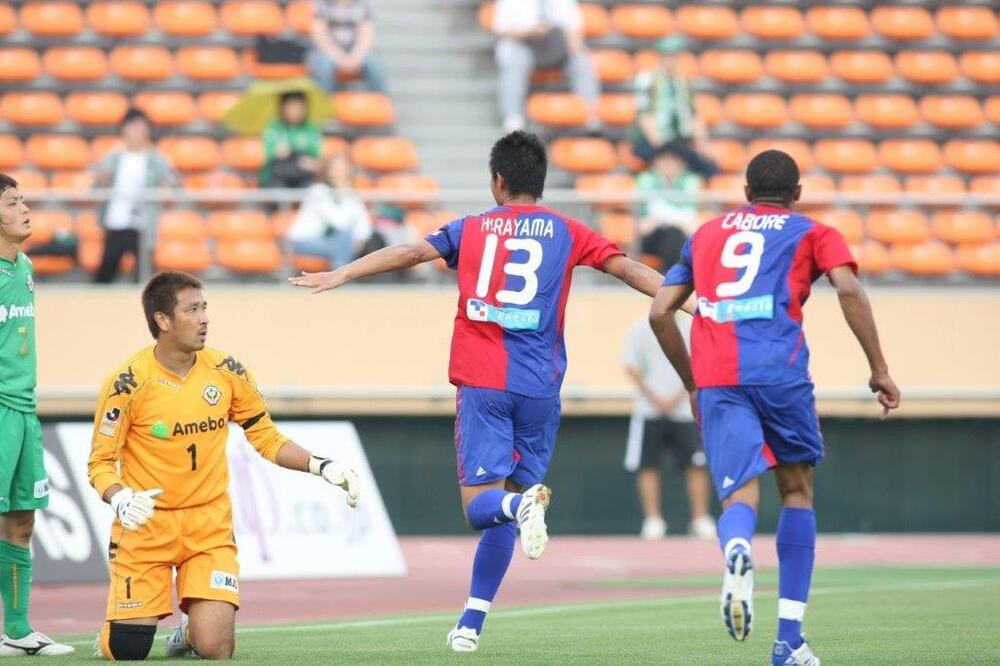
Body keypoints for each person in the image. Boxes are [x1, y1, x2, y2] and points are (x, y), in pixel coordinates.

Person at [290, 131, 672, 653]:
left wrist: (344, 273)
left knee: (483, 507)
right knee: (508, 507)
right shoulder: (569, 230)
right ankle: (471, 624)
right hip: (540, 387)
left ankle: (519, 509)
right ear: (540, 181)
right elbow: (628, 269)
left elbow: (410, 251)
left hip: (485, 381)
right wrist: (693, 304)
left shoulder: (471, 227)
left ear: (498, 180)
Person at [649, 150, 901, 665]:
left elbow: (659, 312)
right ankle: (788, 639)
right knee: (797, 491)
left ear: (746, 193)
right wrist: (878, 367)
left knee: (738, 494)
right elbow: (849, 289)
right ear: (797, 194)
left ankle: (737, 549)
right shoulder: (814, 232)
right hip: (780, 374)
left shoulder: (705, 235)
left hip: (719, 378)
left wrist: (693, 383)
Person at [87, 271, 361, 661]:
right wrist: (120, 499)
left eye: (204, 308)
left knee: (216, 647)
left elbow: (265, 436)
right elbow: (99, 462)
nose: (204, 319)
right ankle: (116, 629)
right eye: (192, 310)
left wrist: (321, 465)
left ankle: (190, 631)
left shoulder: (228, 370)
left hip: (208, 525)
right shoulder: (127, 383)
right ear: (163, 320)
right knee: (127, 650)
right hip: (146, 526)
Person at [0, 175, 74, 656]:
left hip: (25, 411)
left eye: (23, 200)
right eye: (13, 202)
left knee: (21, 521)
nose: (25, 209)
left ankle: (17, 631)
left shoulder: (25, 266)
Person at [622, 316, 714, 540]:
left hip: (686, 411)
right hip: (648, 411)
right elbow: (631, 367)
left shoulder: (692, 327)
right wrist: (655, 398)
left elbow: (703, 364)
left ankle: (700, 519)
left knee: (696, 465)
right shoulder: (640, 328)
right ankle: (653, 521)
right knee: (648, 465)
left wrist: (681, 394)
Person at [92, 109, 179, 284]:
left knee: (145, 276)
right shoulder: (112, 158)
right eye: (133, 127)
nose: (137, 132)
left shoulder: (156, 159)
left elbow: (172, 184)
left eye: (142, 127)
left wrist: (166, 190)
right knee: (106, 272)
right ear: (124, 129)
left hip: (144, 223)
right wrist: (101, 180)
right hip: (116, 222)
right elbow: (96, 186)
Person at [492, 0, 600, 133]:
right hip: (523, 43)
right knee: (513, 59)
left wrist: (575, 48)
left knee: (581, 61)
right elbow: (501, 29)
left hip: (554, 43)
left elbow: (572, 26)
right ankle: (513, 118)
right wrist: (530, 32)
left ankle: (590, 115)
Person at [629, 36, 716, 178]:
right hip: (654, 140)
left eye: (674, 57)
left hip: (678, 139)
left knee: (709, 167)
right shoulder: (647, 80)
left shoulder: (683, 83)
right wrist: (663, 147)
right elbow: (644, 115)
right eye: (667, 56)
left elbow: (693, 115)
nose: (671, 61)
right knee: (669, 157)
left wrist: (702, 144)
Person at [288, 153, 374, 269]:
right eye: (336, 168)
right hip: (304, 241)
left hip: (336, 240)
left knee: (346, 241)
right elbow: (339, 222)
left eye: (343, 168)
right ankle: (342, 276)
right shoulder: (318, 190)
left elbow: (363, 222)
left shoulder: (351, 194)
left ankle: (342, 275)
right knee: (343, 241)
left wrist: (360, 240)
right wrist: (344, 191)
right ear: (328, 170)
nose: (340, 172)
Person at [635, 141, 702, 271]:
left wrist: (662, 214)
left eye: (672, 161)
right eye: (664, 161)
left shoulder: (691, 180)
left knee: (673, 236)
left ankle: (672, 277)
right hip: (651, 236)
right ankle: (676, 278)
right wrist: (676, 216)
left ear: (682, 164)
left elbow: (689, 210)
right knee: (672, 236)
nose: (668, 165)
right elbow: (645, 216)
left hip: (677, 234)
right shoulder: (646, 179)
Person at [307, 0, 386, 93]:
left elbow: (366, 36)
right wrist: (340, 58)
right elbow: (320, 37)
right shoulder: (322, 4)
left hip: (354, 51)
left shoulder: (362, 4)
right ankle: (323, 100)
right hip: (326, 51)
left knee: (374, 66)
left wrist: (355, 57)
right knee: (323, 67)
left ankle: (379, 100)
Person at [260, 91, 323, 190]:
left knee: (313, 189)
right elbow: (266, 154)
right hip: (277, 176)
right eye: (291, 107)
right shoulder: (274, 127)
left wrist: (309, 162)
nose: (295, 111)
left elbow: (316, 157)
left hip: (303, 176)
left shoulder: (311, 128)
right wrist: (277, 152)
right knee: (277, 188)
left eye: (299, 107)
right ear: (283, 108)